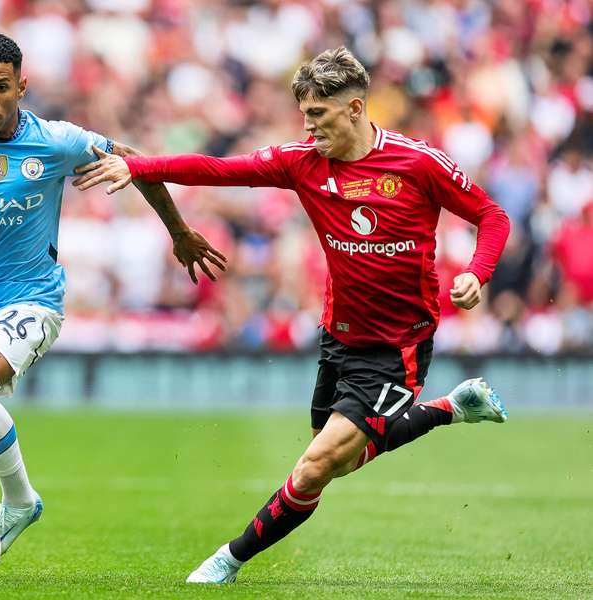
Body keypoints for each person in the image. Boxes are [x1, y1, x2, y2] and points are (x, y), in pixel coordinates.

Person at [74, 46, 510, 583]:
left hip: (397, 349)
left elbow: (492, 214)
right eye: (304, 114)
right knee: (339, 457)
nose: (308, 126)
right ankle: (450, 408)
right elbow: (217, 169)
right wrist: (137, 165)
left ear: (354, 109)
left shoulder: (417, 163)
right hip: (338, 336)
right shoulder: (302, 162)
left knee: (314, 469)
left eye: (318, 114)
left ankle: (226, 561)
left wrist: (477, 272)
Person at [0, 32, 226, 567]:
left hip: (33, 299)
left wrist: (178, 232)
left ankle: (20, 501)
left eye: (0, 87)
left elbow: (133, 163)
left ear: (22, 85)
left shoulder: (57, 141)